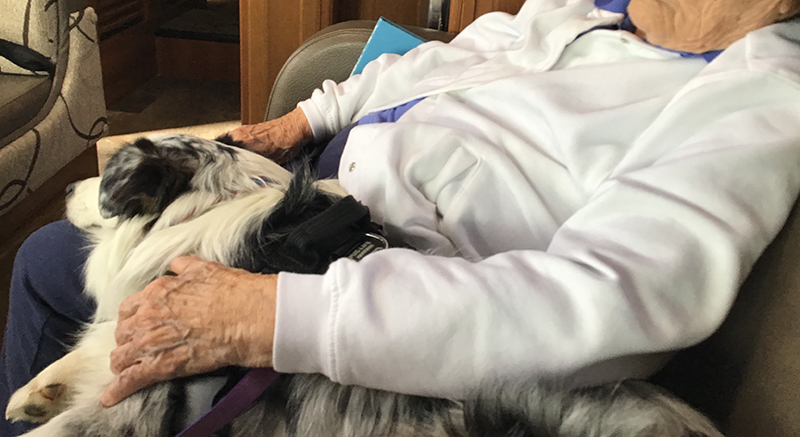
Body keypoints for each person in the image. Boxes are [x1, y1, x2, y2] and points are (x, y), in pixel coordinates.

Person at [4, 0, 800, 433]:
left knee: (48, 265)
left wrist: (272, 315)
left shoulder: (758, 98)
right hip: (310, 183)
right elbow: (443, 57)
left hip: (376, 269)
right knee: (63, 248)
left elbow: (608, 299)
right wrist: (305, 119)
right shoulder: (595, 10)